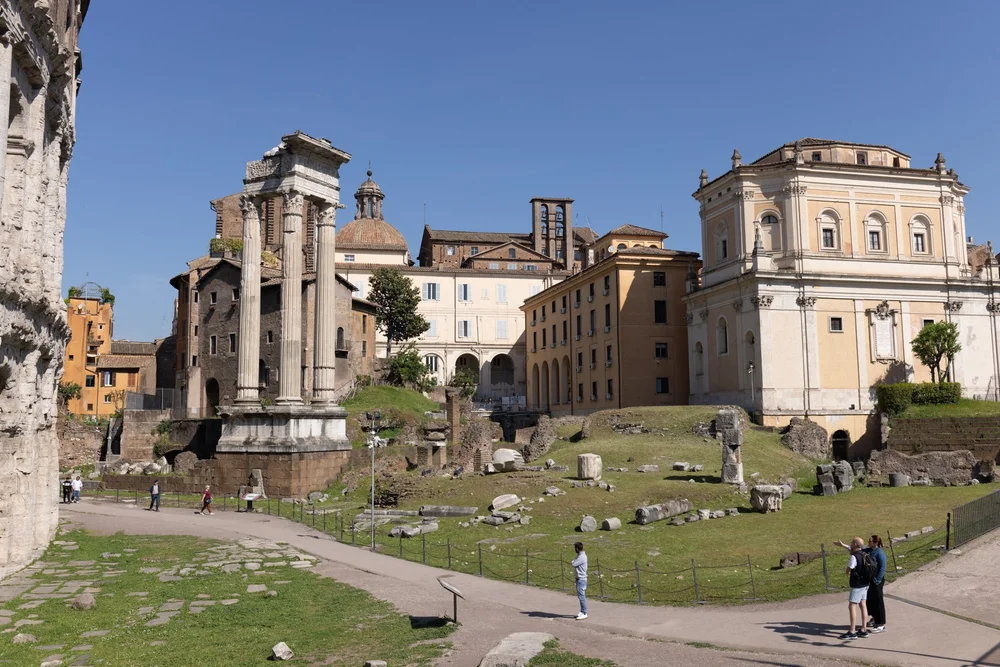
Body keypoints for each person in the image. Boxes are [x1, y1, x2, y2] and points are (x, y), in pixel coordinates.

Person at [834, 537, 871, 640]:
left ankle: (852, 631)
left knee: (852, 606)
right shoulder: (864, 553)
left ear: (855, 544)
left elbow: (849, 569)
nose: (850, 543)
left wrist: (847, 571)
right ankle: (864, 629)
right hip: (865, 584)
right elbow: (851, 548)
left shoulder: (854, 557)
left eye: (852, 542)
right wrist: (843, 545)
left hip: (857, 585)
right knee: (863, 605)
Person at [866, 534, 888, 633]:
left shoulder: (880, 553)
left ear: (875, 543)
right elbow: (857, 550)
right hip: (870, 580)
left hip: (877, 581)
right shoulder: (869, 550)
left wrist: (877, 580)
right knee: (871, 600)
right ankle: (874, 618)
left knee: (878, 601)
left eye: (870, 541)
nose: (868, 542)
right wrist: (844, 546)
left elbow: (883, 568)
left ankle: (881, 624)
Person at [571, 542, 588, 620]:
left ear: (577, 548)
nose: (574, 550)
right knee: (580, 596)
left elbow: (573, 564)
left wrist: (573, 561)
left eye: (575, 548)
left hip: (581, 579)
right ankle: (582, 611)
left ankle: (584, 613)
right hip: (579, 578)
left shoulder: (582, 557)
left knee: (582, 596)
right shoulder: (580, 556)